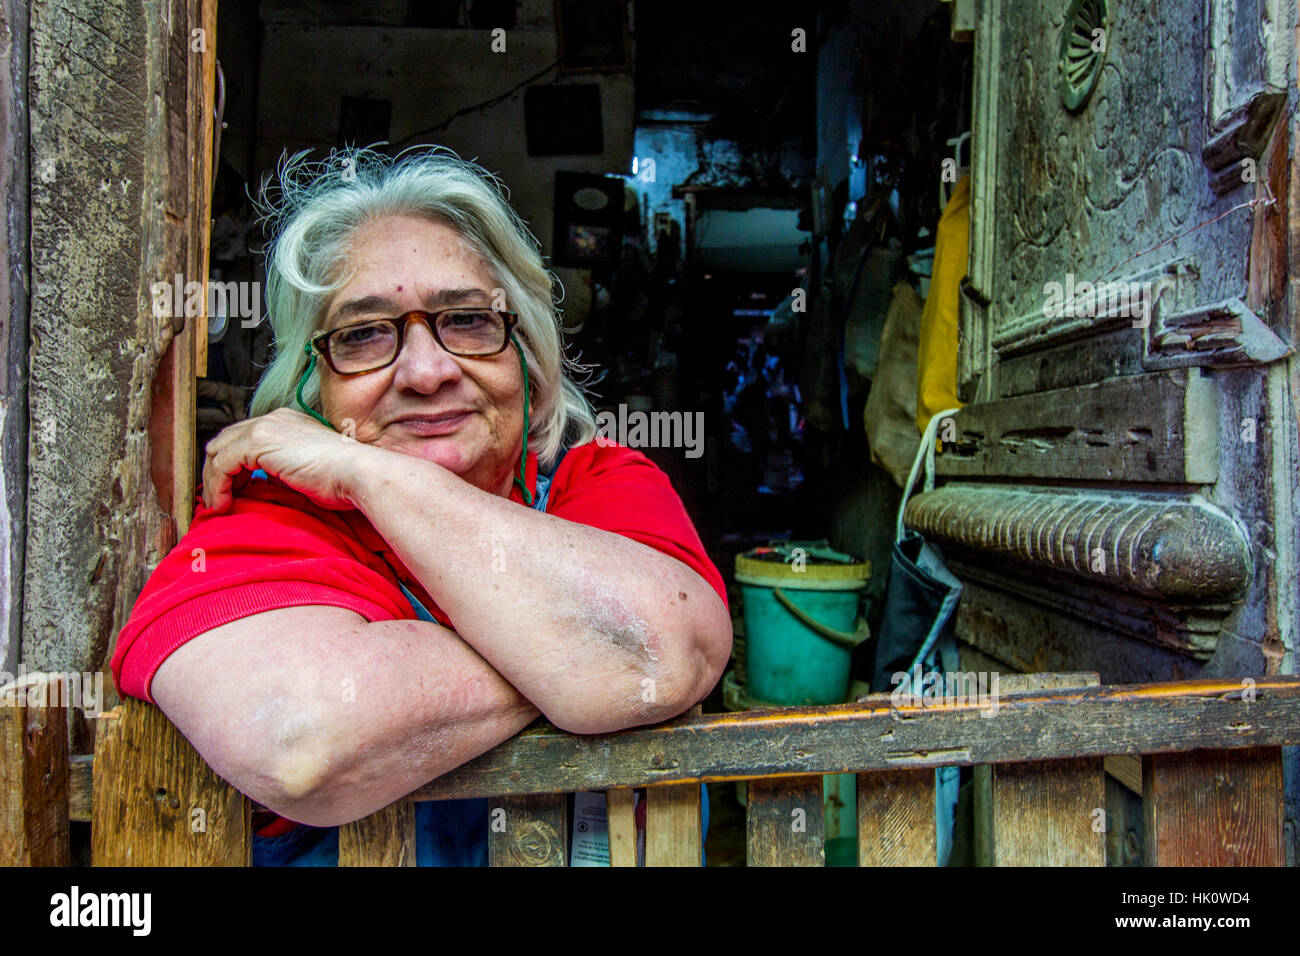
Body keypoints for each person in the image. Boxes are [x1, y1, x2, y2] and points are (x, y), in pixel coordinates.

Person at [109, 146, 732, 865]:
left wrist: (369, 473)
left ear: (527, 355)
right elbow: (303, 742)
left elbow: (666, 652)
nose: (428, 372)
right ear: (312, 386)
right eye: (364, 334)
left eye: (467, 319)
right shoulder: (270, 520)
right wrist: (579, 655)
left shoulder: (595, 481)